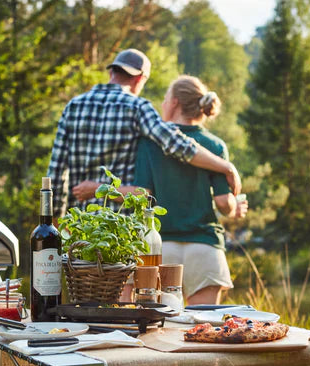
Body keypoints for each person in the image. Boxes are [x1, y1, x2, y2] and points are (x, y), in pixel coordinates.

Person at [47, 48, 241, 218]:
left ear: (112, 72)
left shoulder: (73, 106)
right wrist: (226, 167)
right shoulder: (137, 106)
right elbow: (178, 145)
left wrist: (57, 224)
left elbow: (56, 172)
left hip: (79, 225)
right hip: (118, 229)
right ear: (140, 78)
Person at [131, 75, 248, 305]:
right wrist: (235, 208)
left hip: (161, 249)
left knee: (159, 331)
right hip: (204, 248)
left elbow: (141, 193)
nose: (162, 105)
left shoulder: (149, 144)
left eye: (165, 99)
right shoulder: (215, 145)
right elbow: (224, 203)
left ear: (174, 102)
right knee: (201, 329)